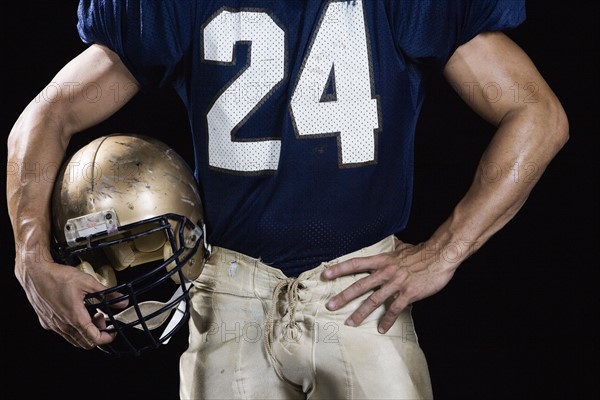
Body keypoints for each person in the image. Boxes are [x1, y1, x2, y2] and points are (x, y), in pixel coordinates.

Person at [6, 0, 568, 399]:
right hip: (228, 293)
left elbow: (538, 115)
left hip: (360, 297)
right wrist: (30, 256)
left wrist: (444, 252)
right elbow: (48, 113)